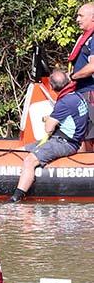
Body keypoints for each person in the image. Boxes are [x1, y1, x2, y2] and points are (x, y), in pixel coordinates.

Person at [9, 70, 89, 203]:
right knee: (23, 150)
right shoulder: (78, 96)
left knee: (29, 161)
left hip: (65, 143)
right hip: (70, 139)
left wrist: (49, 119)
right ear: (68, 82)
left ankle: (17, 197)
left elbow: (48, 128)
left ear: (52, 87)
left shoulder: (64, 103)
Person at [68, 2, 94, 151]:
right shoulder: (86, 38)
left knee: (88, 138)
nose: (77, 19)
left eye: (81, 16)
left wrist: (72, 77)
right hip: (81, 93)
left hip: (89, 94)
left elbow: (92, 66)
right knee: (82, 136)